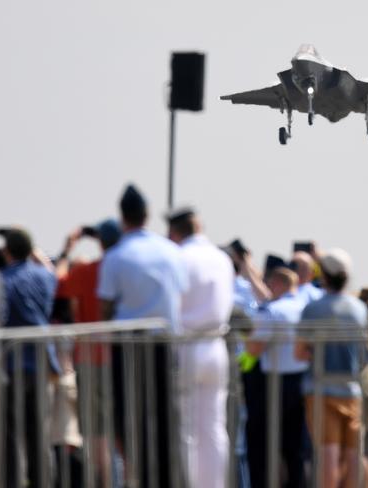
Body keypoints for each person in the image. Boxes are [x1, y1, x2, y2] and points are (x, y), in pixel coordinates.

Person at [97, 184, 188, 487]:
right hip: (165, 343)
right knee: (165, 418)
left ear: (123, 217)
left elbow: (105, 306)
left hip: (130, 346)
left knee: (130, 419)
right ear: (147, 215)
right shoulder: (172, 252)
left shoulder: (117, 256)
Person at [166, 206, 235, 488]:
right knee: (214, 427)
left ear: (174, 231)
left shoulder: (179, 258)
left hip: (188, 343)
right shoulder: (222, 258)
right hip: (216, 344)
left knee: (187, 427)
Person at [295, 248, 368, 488]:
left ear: (323, 275)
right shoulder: (359, 308)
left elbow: (299, 351)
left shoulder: (313, 309)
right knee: (353, 453)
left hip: (320, 389)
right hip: (352, 389)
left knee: (327, 453)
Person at [56, 219, 122, 486]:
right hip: (121, 359)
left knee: (95, 434)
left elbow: (58, 283)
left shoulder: (87, 271)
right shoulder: (123, 269)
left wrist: (66, 250)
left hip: (90, 360)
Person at [2, 228, 59, 488]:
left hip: (13, 363)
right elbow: (53, 272)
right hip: (41, 360)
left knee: (12, 433)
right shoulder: (45, 277)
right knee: (40, 431)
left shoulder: (5, 280)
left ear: (7, 251)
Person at [246, 266, 308, 488]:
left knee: (261, 442)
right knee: (295, 446)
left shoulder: (272, 311)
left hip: (273, 383)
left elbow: (254, 349)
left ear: (278, 284)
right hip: (301, 381)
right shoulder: (306, 309)